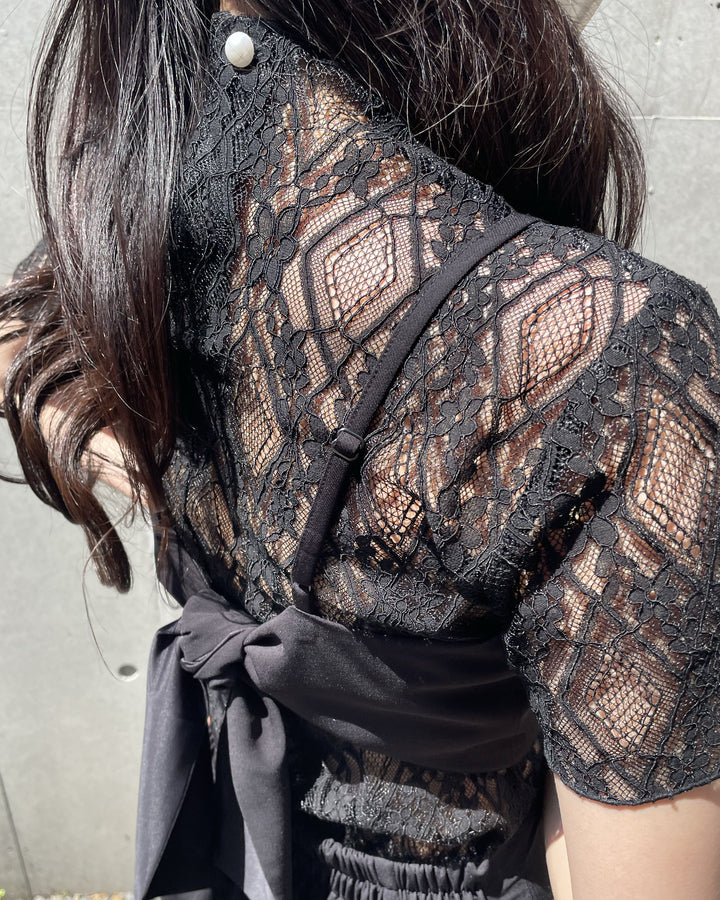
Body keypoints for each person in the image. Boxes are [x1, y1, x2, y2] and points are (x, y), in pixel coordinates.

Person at [2, 1, 720, 898]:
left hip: (220, 823)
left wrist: (159, 482)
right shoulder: (617, 350)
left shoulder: (145, 172)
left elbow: (18, 341)